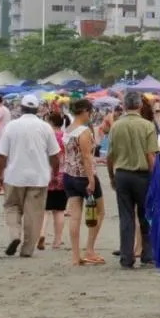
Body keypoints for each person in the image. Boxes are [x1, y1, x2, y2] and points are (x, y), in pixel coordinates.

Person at [0, 94, 61, 258]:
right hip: (38, 177)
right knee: (34, 214)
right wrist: (55, 173)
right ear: (37, 109)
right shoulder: (45, 127)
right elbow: (55, 155)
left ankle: (15, 235)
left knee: (12, 207)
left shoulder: (11, 126)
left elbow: (1, 156)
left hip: (14, 176)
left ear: (21, 108)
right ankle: (27, 249)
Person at [106, 91, 159, 269]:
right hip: (143, 176)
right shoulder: (147, 126)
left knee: (126, 217)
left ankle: (127, 257)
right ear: (140, 105)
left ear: (125, 106)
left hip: (122, 174)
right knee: (146, 215)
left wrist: (111, 176)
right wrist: (156, 177)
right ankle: (147, 254)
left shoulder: (115, 126)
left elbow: (110, 156)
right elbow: (150, 155)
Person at [63, 99, 105, 266]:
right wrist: (91, 180)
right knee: (99, 212)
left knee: (75, 216)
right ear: (86, 111)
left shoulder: (68, 129)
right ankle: (89, 249)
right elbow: (87, 157)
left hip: (69, 175)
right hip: (83, 176)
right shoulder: (84, 132)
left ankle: (75, 255)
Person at [38, 112, 68, 251]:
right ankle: (57, 240)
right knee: (59, 210)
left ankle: (41, 233)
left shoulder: (46, 136)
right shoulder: (66, 137)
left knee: (44, 209)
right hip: (63, 175)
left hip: (46, 174)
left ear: (50, 122)